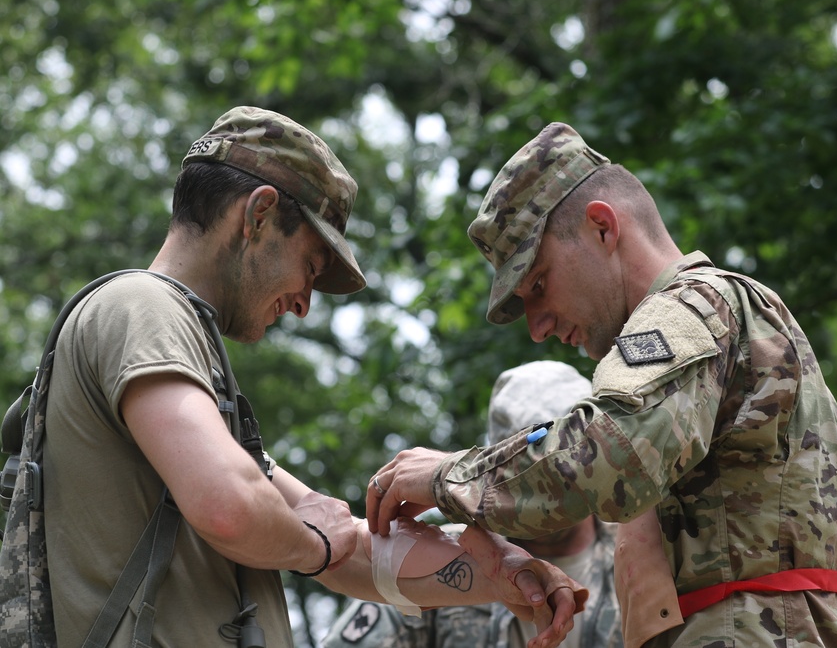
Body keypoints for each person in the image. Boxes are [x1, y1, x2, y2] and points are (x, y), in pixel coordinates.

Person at [31, 108, 583, 648]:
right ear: (259, 214)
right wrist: (315, 545)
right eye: (312, 267)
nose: (302, 304)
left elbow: (354, 551)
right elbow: (234, 510)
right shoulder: (141, 307)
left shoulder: (188, 358)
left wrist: (505, 571)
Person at [366, 122, 837, 647]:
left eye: (538, 284)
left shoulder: (690, 308)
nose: (537, 328)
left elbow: (611, 452)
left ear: (602, 228)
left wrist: (451, 476)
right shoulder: (726, 319)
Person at [324, 361, 624, 648]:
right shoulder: (444, 551)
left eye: (560, 462)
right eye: (528, 467)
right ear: (495, 469)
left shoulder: (641, 555)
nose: (545, 486)